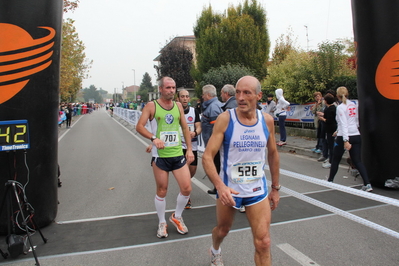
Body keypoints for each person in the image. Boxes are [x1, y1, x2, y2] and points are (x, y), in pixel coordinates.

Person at [203, 76, 280, 266]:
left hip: (257, 190)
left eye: (247, 93)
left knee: (264, 242)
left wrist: (276, 188)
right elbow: (207, 156)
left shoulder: (267, 121)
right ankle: (215, 249)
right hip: (230, 190)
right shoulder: (226, 119)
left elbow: (273, 153)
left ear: (258, 96)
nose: (241, 97)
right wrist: (220, 187)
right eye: (238, 92)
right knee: (223, 230)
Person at [136, 76, 194, 238]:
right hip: (160, 156)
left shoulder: (178, 106)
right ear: (160, 89)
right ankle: (162, 222)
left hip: (177, 153)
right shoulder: (151, 106)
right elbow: (139, 126)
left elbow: (184, 127)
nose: (171, 91)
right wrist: (153, 139)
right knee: (162, 190)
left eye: (173, 88)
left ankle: (177, 215)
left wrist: (189, 149)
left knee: (187, 188)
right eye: (168, 88)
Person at [326, 86, 373, 192]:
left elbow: (344, 123)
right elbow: (355, 121)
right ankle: (367, 183)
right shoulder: (353, 105)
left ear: (337, 96)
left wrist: (345, 140)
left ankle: (330, 180)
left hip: (344, 136)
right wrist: (338, 131)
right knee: (357, 161)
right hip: (356, 134)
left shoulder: (341, 107)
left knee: (336, 159)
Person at [176, 89, 202, 209]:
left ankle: (184, 188)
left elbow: (199, 126)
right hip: (179, 146)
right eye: (183, 96)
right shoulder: (174, 110)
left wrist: (195, 133)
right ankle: (186, 195)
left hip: (193, 145)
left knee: (192, 171)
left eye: (187, 96)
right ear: (178, 98)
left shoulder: (194, 111)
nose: (185, 98)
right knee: (184, 172)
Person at [201, 84, 224, 194]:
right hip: (214, 143)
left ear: (208, 95)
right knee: (217, 164)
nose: (202, 97)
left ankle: (218, 188)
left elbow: (216, 129)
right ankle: (218, 187)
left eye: (204, 94)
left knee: (216, 165)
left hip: (214, 144)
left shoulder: (213, 107)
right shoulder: (216, 105)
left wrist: (212, 144)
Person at [319, 93, 337, 168]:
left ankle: (331, 161)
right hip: (329, 129)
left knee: (331, 145)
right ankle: (330, 158)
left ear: (326, 101)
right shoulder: (330, 108)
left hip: (331, 129)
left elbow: (329, 120)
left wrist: (322, 118)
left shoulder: (331, 109)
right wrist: (323, 114)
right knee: (329, 144)